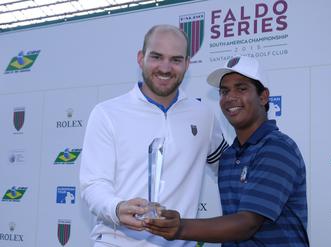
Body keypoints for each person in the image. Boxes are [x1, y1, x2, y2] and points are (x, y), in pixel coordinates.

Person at [79, 24, 228, 247]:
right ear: (141, 58)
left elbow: (228, 169)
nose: (165, 68)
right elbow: (93, 184)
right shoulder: (107, 113)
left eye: (176, 60)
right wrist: (117, 208)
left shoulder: (203, 115)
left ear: (187, 64)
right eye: (157, 57)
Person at [144, 56, 309, 246]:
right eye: (224, 91)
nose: (230, 97)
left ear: (263, 97)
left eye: (241, 88)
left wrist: (180, 227)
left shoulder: (277, 148)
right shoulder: (229, 155)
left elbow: (247, 224)